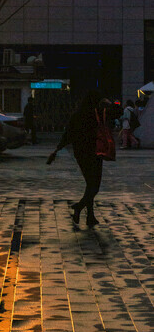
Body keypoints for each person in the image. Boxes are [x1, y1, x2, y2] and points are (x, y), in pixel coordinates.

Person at [46, 90, 108, 228]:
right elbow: (118, 111)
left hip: (80, 154)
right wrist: (107, 104)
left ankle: (90, 216)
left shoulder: (77, 115)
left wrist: (58, 148)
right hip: (94, 153)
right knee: (94, 186)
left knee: (90, 184)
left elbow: (68, 134)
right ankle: (79, 207)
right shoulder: (95, 115)